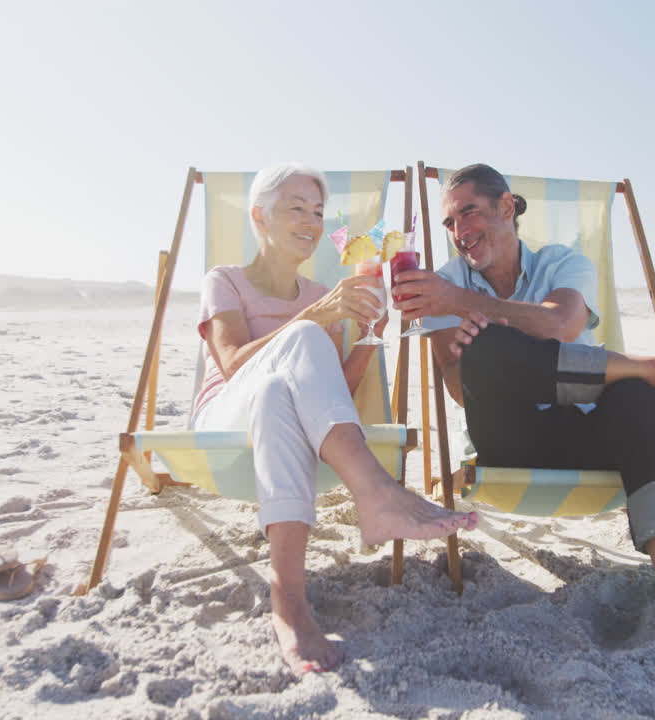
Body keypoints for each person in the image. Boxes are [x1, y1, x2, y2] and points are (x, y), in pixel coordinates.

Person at [392, 163, 655, 693]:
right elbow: (461, 390)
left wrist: (466, 308)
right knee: (488, 348)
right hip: (510, 439)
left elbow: (560, 324)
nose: (459, 231)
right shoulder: (443, 281)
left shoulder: (563, 263)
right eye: (450, 222)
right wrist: (479, 342)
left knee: (636, 400)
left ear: (506, 207)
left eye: (470, 213)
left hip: (584, 429)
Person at [191, 162, 478, 677]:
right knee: (294, 347)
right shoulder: (225, 281)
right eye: (296, 208)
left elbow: (327, 398)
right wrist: (316, 317)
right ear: (259, 217)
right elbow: (231, 364)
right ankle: (376, 490)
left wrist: (371, 334)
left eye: (318, 211)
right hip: (222, 422)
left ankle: (289, 605)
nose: (311, 221)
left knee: (277, 393)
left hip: (284, 428)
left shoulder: (317, 293)